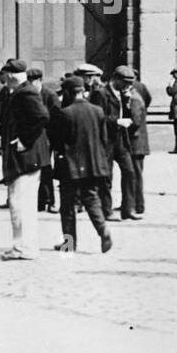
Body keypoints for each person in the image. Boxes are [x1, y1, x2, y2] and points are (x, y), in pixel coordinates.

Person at [48, 76, 113, 253]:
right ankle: (103, 230)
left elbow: (57, 141)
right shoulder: (98, 111)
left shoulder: (65, 113)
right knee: (92, 199)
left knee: (67, 206)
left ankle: (70, 243)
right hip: (93, 165)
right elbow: (104, 139)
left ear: (68, 92)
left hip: (70, 166)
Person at [0, 59, 51, 261]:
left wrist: (25, 141)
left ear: (11, 76)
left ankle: (23, 249)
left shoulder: (24, 93)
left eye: (4, 75)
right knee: (24, 203)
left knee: (19, 203)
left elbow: (41, 116)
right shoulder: (23, 91)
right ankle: (26, 246)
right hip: (28, 158)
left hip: (25, 158)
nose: (3, 79)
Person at [94, 65, 147, 221]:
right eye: (125, 83)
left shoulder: (126, 94)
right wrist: (117, 121)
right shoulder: (101, 93)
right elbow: (98, 117)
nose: (128, 86)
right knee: (106, 177)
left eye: (130, 83)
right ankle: (107, 211)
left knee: (130, 173)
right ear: (115, 79)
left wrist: (129, 103)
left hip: (121, 141)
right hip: (106, 141)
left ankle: (128, 209)